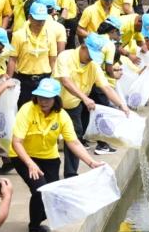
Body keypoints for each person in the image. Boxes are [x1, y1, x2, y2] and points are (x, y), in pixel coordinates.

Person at [10, 78, 103, 232]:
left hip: (49, 157)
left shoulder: (62, 116)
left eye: (48, 98)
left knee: (51, 193)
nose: (43, 101)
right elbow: (16, 142)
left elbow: (73, 142)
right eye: (40, 97)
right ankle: (33, 230)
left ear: (56, 99)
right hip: (23, 156)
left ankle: (39, 220)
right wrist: (30, 163)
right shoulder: (27, 110)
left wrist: (91, 162)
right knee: (39, 190)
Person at [54, 34, 130, 173]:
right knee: (49, 139)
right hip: (54, 105)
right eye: (90, 55)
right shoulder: (65, 56)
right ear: (83, 47)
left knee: (74, 138)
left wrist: (121, 105)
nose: (90, 59)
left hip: (73, 106)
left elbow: (106, 87)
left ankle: (71, 173)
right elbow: (65, 81)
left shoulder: (93, 66)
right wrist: (85, 98)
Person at [9, 1, 60, 106]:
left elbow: (53, 59)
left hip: (44, 80)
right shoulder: (18, 35)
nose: (40, 23)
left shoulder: (50, 35)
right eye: (37, 20)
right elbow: (12, 59)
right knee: (23, 110)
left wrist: (53, 80)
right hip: (24, 80)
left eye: (42, 20)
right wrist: (9, 80)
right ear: (30, 18)